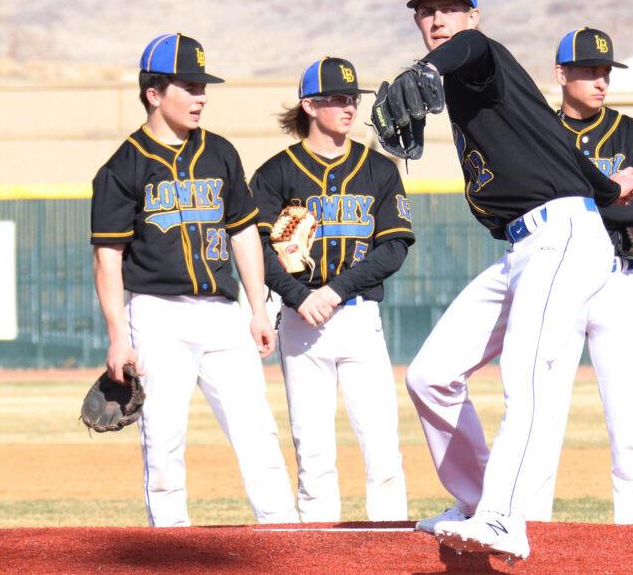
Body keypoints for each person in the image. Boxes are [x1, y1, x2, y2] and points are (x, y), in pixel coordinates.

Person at [392, 0, 633, 560]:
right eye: (427, 9)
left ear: (472, 16)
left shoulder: (481, 55)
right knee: (430, 374)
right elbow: (562, 152)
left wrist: (429, 67)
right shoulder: (462, 86)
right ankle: (479, 499)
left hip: (559, 238)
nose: (438, 18)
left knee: (525, 379)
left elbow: (471, 49)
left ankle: (507, 518)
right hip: (524, 247)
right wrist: (612, 191)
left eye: (451, 8)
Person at [89, 33, 298, 527]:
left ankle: (286, 535)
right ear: (154, 93)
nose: (200, 95)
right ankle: (169, 543)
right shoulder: (122, 166)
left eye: (203, 85)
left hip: (224, 312)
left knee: (257, 429)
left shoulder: (220, 152)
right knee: (163, 437)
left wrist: (258, 308)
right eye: (188, 85)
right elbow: (108, 258)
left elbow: (245, 232)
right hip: (158, 314)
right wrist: (119, 338)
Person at [249, 57, 414, 522]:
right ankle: (317, 555)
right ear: (309, 105)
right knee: (313, 449)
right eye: (337, 98)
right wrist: (301, 296)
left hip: (359, 317)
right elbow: (256, 249)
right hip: (301, 323)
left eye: (352, 97)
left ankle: (390, 545)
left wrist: (334, 290)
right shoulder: (277, 173)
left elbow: (394, 248)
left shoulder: (379, 170)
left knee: (382, 444)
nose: (349, 106)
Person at [523, 28, 633, 525]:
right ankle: (528, 529)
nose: (600, 79)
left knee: (629, 426)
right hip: (550, 282)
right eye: (588, 70)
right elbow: (531, 207)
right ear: (561, 74)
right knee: (540, 416)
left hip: (615, 280)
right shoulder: (536, 132)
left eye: (605, 70)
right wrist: (610, 193)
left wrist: (575, 201)